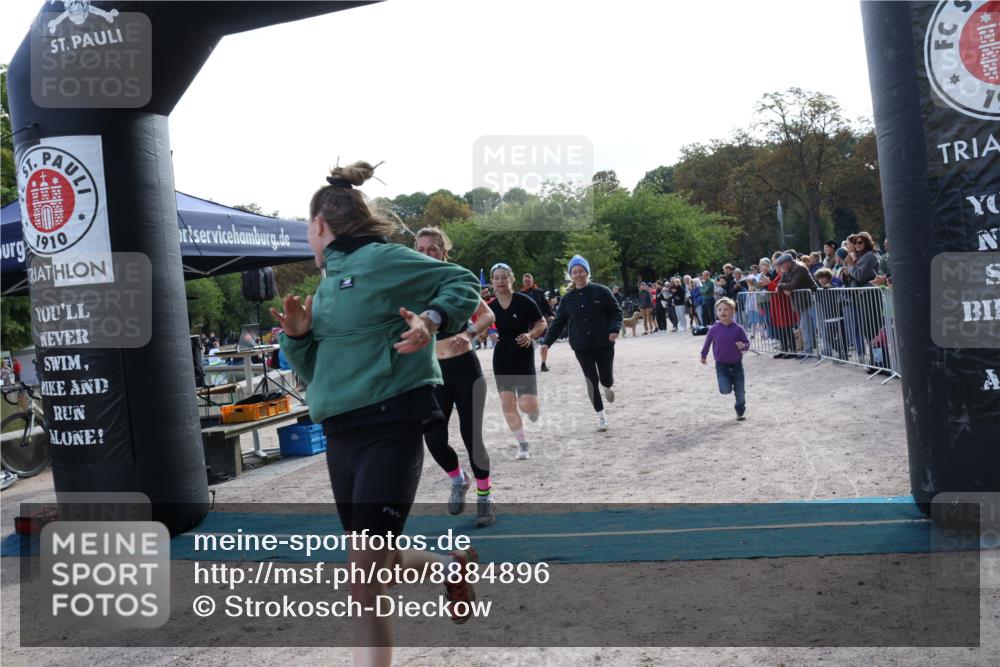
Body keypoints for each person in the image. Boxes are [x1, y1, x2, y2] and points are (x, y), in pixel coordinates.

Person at [273, 162, 482, 663]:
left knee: (364, 586)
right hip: (340, 435)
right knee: (377, 566)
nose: (308, 235)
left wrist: (431, 320)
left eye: (308, 226)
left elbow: (459, 281)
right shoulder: (324, 286)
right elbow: (315, 371)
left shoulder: (381, 260)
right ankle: (449, 565)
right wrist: (298, 337)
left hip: (389, 425)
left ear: (321, 224)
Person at [415, 228, 497, 527]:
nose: (427, 254)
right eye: (421, 250)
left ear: (443, 252)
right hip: (432, 374)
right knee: (433, 438)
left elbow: (487, 315)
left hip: (465, 369)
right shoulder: (410, 284)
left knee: (471, 435)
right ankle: (458, 478)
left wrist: (468, 333)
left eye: (433, 249)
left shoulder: (456, 278)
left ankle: (485, 496)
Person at [541, 255, 623, 432]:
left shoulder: (601, 291)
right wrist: (547, 342)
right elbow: (558, 322)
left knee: (605, 377)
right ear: (571, 275)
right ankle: (601, 415)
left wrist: (614, 329)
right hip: (581, 345)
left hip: (604, 342)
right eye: (574, 272)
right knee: (590, 380)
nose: (578, 275)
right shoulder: (567, 299)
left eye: (581, 271)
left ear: (587, 272)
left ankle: (607, 385)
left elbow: (616, 312)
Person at [488, 263, 547, 461]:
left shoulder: (524, 301)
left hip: (523, 352)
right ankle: (523, 444)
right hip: (502, 355)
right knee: (507, 402)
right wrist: (487, 333)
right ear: (491, 281)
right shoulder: (490, 307)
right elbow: (483, 328)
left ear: (512, 279)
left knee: (527, 404)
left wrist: (530, 335)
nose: (500, 281)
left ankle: (533, 407)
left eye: (504, 277)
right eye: (496, 278)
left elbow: (542, 322)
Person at [700, 297, 750, 420]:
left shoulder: (738, 329)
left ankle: (740, 411)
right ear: (716, 312)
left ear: (733, 311)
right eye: (719, 309)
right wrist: (703, 355)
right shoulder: (713, 329)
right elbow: (707, 343)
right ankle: (728, 386)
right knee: (725, 389)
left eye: (726, 309)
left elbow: (747, 343)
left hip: (737, 366)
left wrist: (743, 346)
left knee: (740, 393)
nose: (723, 312)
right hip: (721, 366)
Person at [521, 273, 554, 372]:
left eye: (529, 281)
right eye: (525, 281)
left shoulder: (539, 292)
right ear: (523, 282)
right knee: (527, 344)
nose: (527, 283)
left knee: (544, 343)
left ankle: (543, 364)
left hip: (541, 321)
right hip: (527, 323)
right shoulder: (520, 294)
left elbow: (545, 305)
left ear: (532, 281)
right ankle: (528, 364)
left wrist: (550, 315)